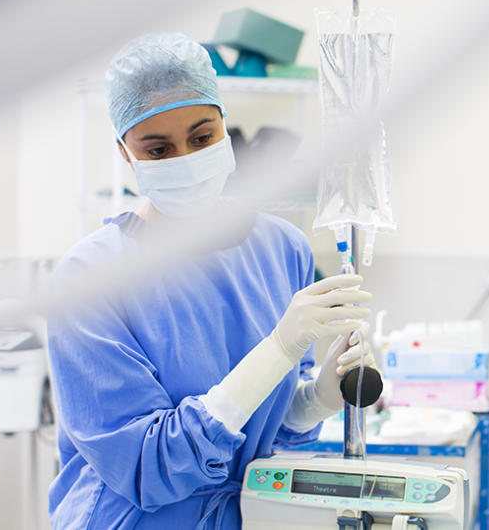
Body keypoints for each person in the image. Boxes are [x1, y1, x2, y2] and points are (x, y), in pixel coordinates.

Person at [47, 33, 374, 529]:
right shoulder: (89, 280)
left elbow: (265, 433)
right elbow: (148, 469)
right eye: (158, 149)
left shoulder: (281, 248)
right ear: (125, 153)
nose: (186, 160)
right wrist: (278, 350)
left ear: (224, 125)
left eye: (202, 138)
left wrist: (315, 401)